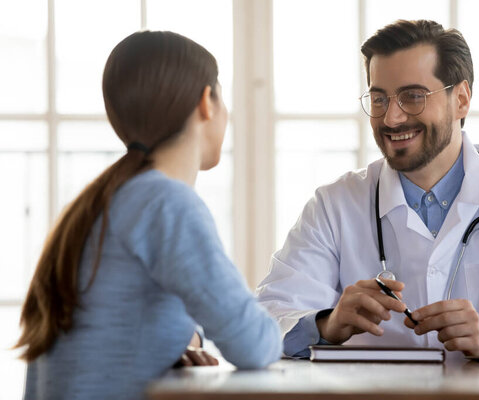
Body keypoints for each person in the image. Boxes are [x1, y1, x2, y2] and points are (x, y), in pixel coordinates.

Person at [256, 19, 479, 359]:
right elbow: (265, 322)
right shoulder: (334, 205)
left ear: (461, 99)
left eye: (413, 97)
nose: (392, 118)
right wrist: (327, 323)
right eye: (379, 98)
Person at [16, 31, 282, 400]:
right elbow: (255, 344)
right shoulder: (167, 202)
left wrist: (175, 340)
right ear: (206, 102)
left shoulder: (102, 202)